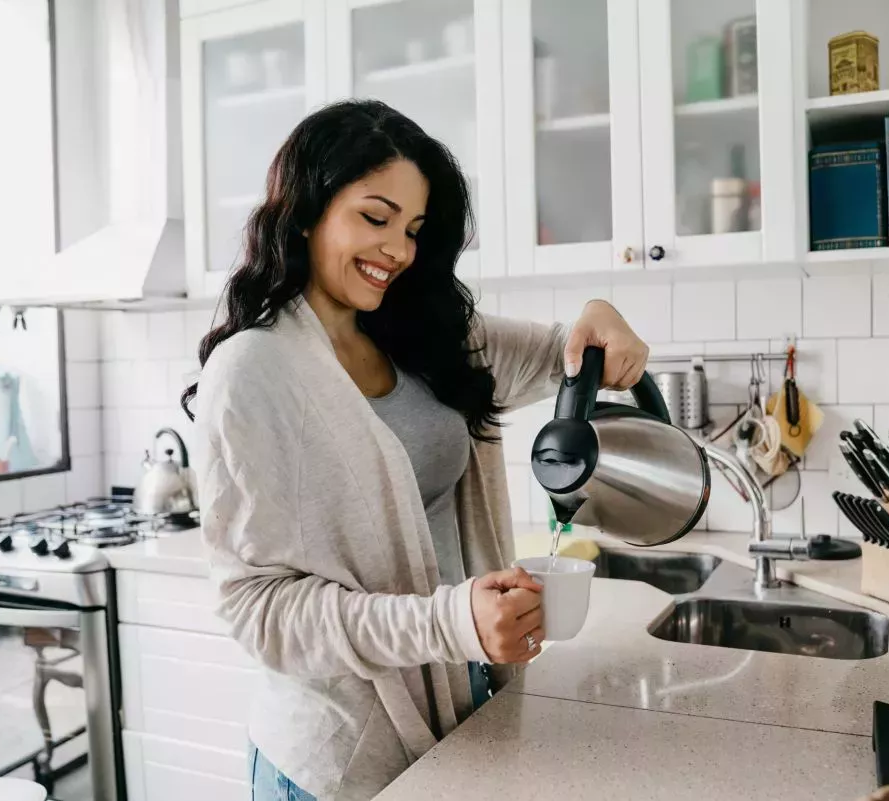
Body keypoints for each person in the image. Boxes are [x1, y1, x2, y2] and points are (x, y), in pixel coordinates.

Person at [183, 99, 649, 801]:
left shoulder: (424, 334)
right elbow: (262, 611)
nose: (397, 250)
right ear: (306, 210)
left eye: (413, 229)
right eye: (375, 218)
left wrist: (600, 314)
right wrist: (451, 619)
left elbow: (568, 352)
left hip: (459, 719)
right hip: (337, 765)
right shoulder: (254, 370)